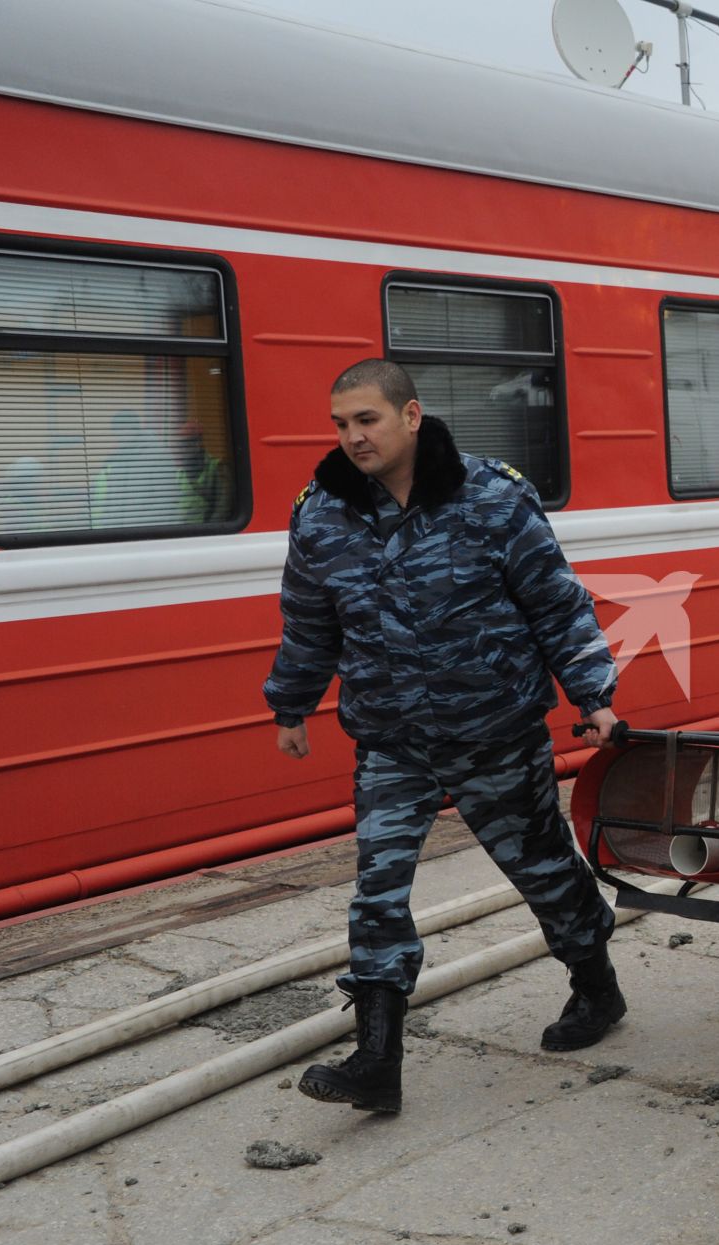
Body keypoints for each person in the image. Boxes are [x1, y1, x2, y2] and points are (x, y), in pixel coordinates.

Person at [264, 358, 626, 1116]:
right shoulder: (322, 514)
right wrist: (291, 706)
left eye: (366, 420)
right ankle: (377, 1058)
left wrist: (592, 694)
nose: (352, 436)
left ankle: (596, 988)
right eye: (340, 423)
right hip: (393, 739)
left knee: (543, 870)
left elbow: (556, 604)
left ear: (410, 416)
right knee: (377, 891)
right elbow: (309, 622)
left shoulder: (491, 497)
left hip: (494, 729)